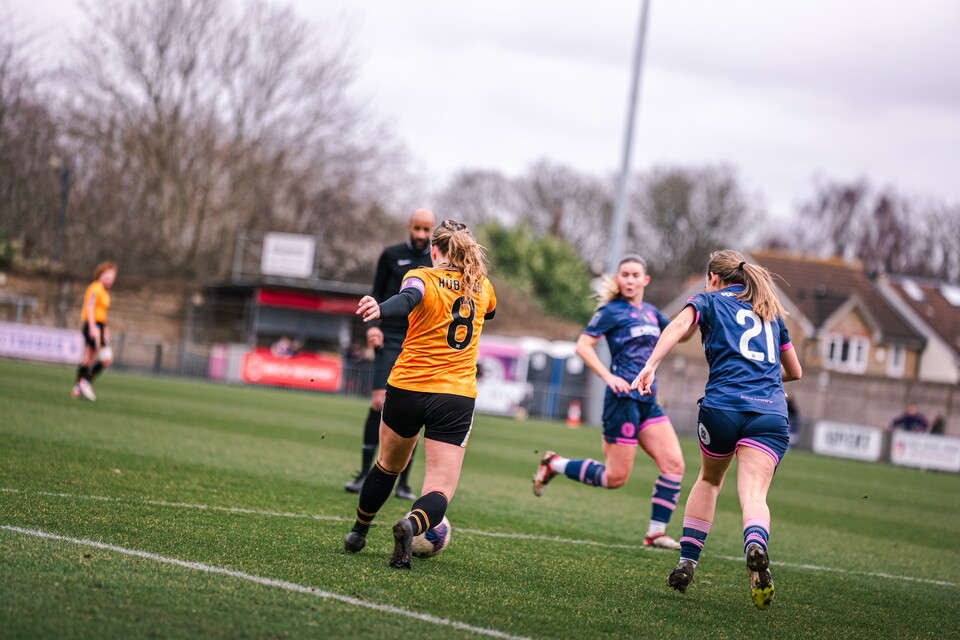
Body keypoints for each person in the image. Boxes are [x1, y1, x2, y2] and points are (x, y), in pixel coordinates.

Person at [631, 250, 802, 610]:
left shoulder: (707, 300)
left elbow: (678, 326)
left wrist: (651, 365)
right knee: (754, 494)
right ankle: (755, 544)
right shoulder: (769, 311)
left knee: (709, 480)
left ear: (712, 278)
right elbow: (795, 371)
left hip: (722, 409)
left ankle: (687, 561)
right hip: (769, 412)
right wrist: (764, 381)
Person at [343, 219, 496, 569]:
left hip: (407, 388)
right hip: (454, 397)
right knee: (439, 489)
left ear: (434, 250)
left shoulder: (421, 275)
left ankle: (358, 531)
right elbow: (491, 310)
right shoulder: (482, 285)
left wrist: (381, 308)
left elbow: (408, 298)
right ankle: (411, 525)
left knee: (387, 466)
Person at [532, 255, 686, 549]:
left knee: (674, 464)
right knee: (615, 477)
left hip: (648, 400)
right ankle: (554, 464)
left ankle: (655, 533)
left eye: (634, 275)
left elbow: (681, 333)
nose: (629, 279)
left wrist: (697, 308)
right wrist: (607, 376)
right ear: (618, 279)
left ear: (645, 280)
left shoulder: (653, 313)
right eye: (624, 274)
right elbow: (583, 345)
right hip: (622, 400)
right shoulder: (611, 311)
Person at [344, 208, 436, 501]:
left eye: (426, 230)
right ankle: (362, 475)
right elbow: (376, 292)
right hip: (390, 336)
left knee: (415, 409)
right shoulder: (390, 255)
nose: (421, 235)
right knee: (377, 402)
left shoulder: (436, 261)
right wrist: (372, 326)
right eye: (417, 228)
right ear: (409, 226)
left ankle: (404, 484)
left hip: (418, 340)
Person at [71, 262, 118, 402]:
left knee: (88, 359)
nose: (110, 279)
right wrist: (92, 327)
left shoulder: (104, 291)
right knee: (106, 358)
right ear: (100, 274)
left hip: (100, 326)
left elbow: (102, 313)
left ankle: (78, 388)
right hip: (94, 326)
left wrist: (105, 329)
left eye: (112, 277)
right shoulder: (95, 289)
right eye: (107, 276)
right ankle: (84, 383)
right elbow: (90, 308)